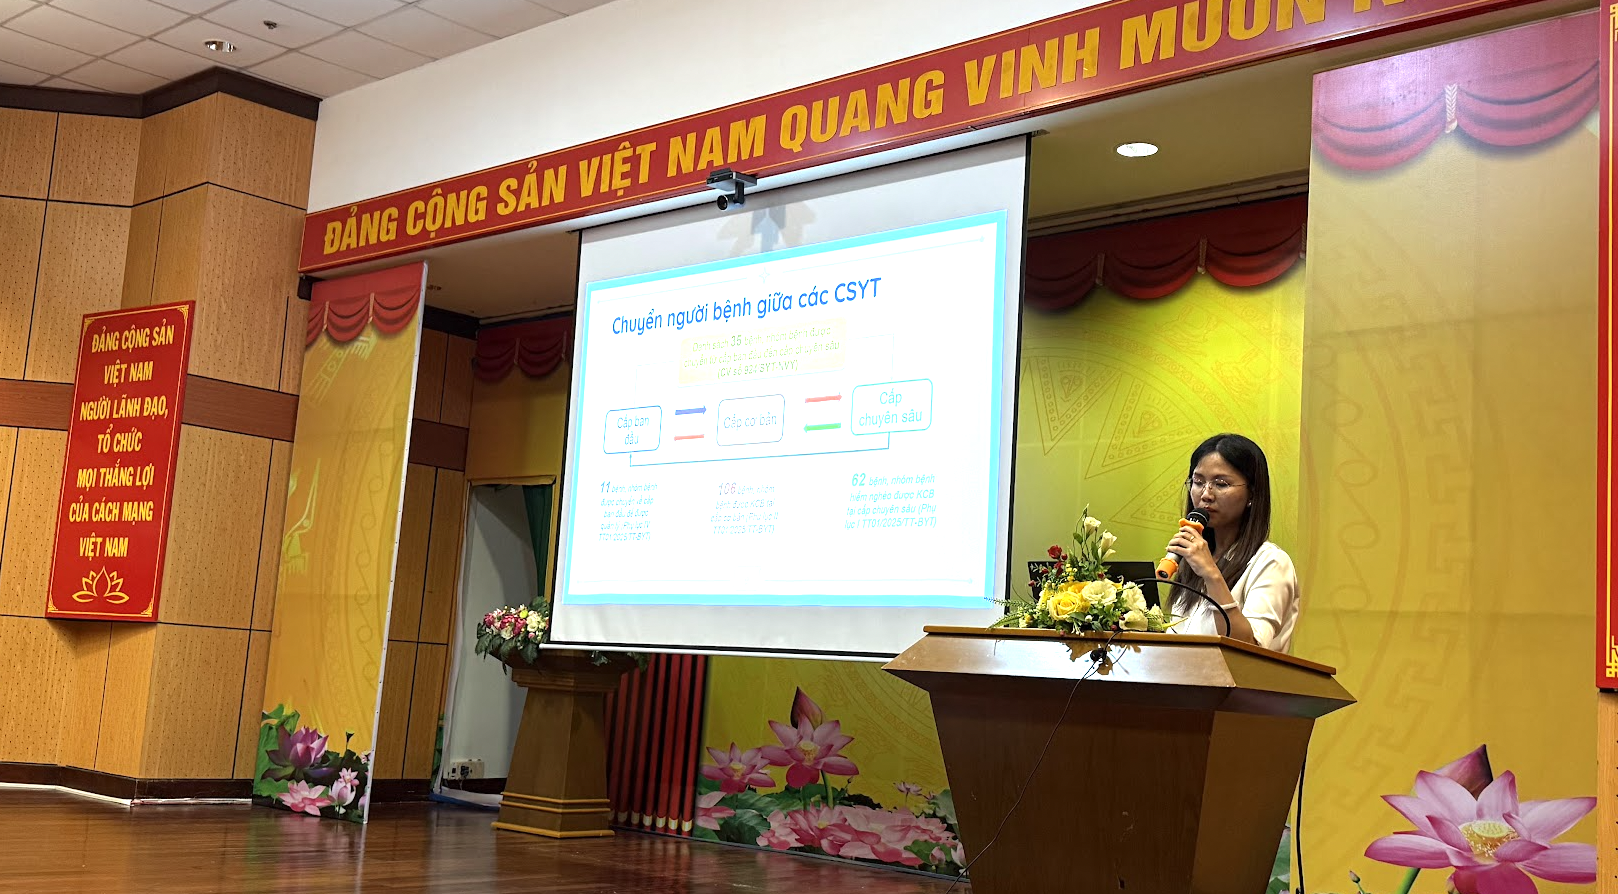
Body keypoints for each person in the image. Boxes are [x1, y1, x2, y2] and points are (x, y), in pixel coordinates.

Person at [1163, 433, 1299, 652]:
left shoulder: (1271, 562)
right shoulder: (1192, 562)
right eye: (1198, 482)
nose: (1206, 494)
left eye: (1221, 484)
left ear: (1252, 494)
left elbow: (1250, 648)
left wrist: (1211, 574)